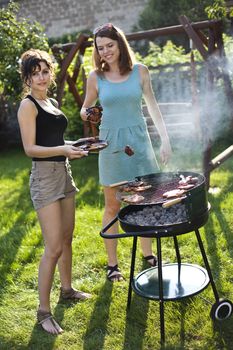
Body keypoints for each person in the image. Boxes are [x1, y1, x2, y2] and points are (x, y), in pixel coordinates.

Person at [80, 23, 172, 282]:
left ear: (120, 44)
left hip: (140, 143)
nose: (105, 52)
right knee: (113, 205)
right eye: (100, 48)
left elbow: (153, 107)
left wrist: (165, 140)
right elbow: (85, 108)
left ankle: (147, 253)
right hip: (112, 146)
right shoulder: (95, 77)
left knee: (144, 199)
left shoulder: (140, 71)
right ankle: (112, 264)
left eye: (110, 45)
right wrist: (87, 113)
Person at [17, 49, 91, 335]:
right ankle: (43, 311)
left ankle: (67, 289)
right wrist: (63, 150)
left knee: (67, 238)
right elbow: (30, 149)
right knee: (54, 247)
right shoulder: (28, 105)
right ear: (27, 78)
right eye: (35, 73)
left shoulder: (51, 101)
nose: (41, 77)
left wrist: (79, 144)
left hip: (63, 174)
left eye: (45, 71)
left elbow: (55, 140)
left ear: (51, 72)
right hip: (45, 179)